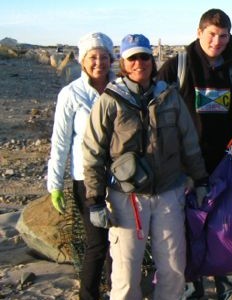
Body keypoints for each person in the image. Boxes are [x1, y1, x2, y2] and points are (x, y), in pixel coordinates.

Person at [82, 34, 210, 300]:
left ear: (152, 60)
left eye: (144, 57)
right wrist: (95, 199)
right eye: (133, 58)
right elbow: (93, 152)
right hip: (126, 198)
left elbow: (189, 142)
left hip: (169, 193)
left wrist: (200, 179)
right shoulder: (110, 100)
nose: (139, 63)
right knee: (126, 274)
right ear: (124, 63)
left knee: (173, 270)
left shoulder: (169, 96)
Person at [156, 8, 232, 300]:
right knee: (185, 231)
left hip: (223, 163)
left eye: (223, 36)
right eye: (212, 34)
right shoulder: (177, 67)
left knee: (226, 227)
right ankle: (191, 289)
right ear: (199, 32)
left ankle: (229, 288)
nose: (217, 41)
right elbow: (154, 109)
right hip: (183, 167)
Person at [47, 32, 114, 300]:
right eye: (93, 57)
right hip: (86, 180)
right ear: (83, 60)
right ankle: (89, 295)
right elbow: (60, 141)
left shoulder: (120, 88)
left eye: (104, 57)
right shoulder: (71, 94)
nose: (99, 62)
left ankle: (117, 291)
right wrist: (54, 185)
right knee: (97, 243)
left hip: (120, 179)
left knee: (118, 243)